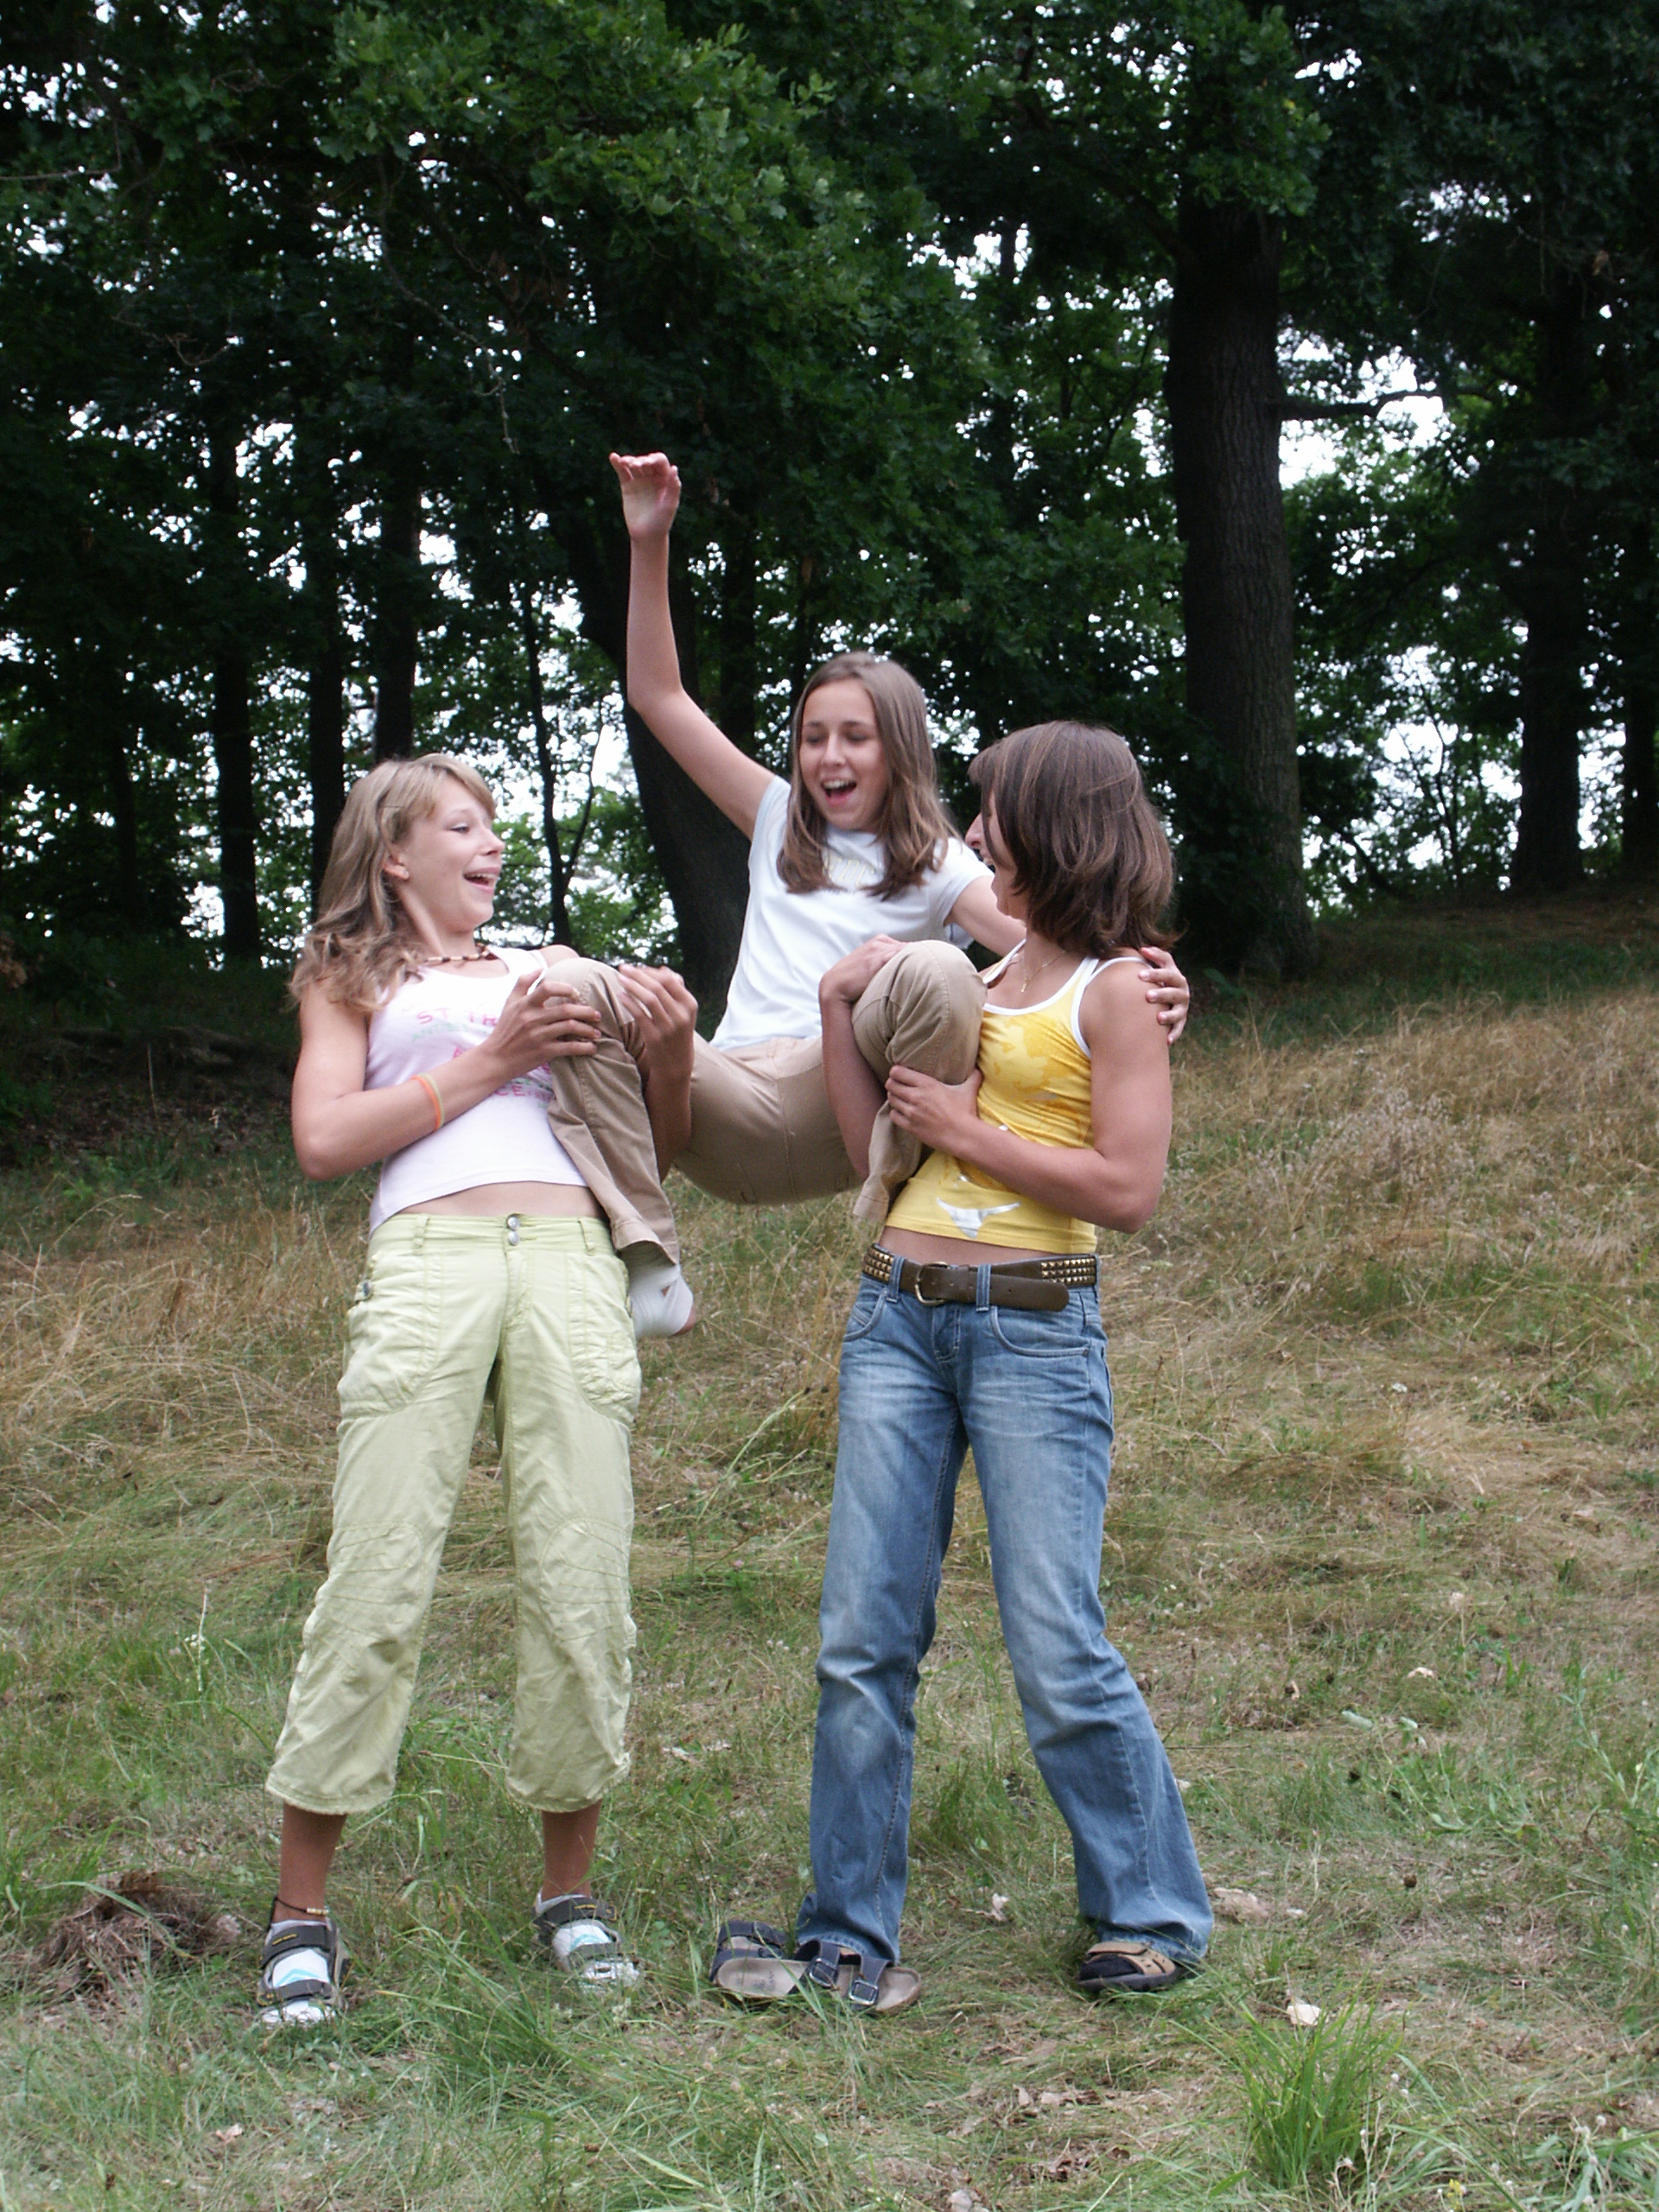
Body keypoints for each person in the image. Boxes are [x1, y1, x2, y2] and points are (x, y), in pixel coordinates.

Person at [708, 721, 1211, 2013]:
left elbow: (1129, 1189)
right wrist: (840, 1014)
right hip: (897, 1316)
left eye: (993, 814)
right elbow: (875, 1151)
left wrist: (968, 1130)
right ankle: (847, 1931)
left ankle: (1151, 1911)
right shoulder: (971, 985)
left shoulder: (1118, 991)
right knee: (862, 1640)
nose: (975, 834)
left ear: (1056, 827)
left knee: (1055, 1638)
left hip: (1034, 1327)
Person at [257, 753, 697, 2028]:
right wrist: (494, 1058)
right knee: (378, 1570)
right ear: (395, 854)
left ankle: (570, 1897)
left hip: (569, 1257)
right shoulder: (351, 977)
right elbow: (324, 1140)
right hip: (429, 1257)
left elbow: (654, 1147)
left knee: (580, 1570)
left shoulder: (555, 970)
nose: (490, 843)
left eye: (495, 826)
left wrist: (668, 1051)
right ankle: (300, 1918)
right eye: (463, 824)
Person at [610, 452, 1191, 1221]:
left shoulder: (941, 863)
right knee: (585, 991)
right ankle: (633, 1241)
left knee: (937, 967)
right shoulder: (777, 815)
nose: (829, 756)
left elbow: (1057, 941)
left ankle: (903, 1191)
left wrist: (1141, 981)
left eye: (856, 736)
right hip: (729, 1092)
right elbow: (658, 696)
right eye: (812, 737)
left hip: (836, 1098)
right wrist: (649, 540)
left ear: (900, 750)